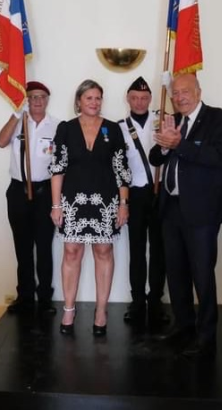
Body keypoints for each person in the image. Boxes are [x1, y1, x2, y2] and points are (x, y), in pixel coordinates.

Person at [149, 73, 222, 357]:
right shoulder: (174, 120)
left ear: (198, 91)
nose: (180, 97)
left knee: (202, 274)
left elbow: (216, 157)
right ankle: (182, 326)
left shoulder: (218, 118)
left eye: (185, 91)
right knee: (176, 273)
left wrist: (178, 145)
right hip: (171, 209)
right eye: (176, 93)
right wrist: (163, 144)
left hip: (202, 211)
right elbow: (155, 158)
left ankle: (205, 335)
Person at [50, 79, 131, 336]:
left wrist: (123, 204)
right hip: (72, 201)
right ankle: (69, 310)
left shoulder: (112, 130)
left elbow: (121, 171)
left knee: (103, 251)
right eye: (89, 98)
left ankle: (101, 311)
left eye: (98, 98)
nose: (94, 102)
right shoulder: (65, 129)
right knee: (71, 252)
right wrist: (55, 205)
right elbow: (57, 169)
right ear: (79, 101)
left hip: (105, 201)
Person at [0, 81, 61, 315]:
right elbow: (1, 142)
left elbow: (62, 163)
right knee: (22, 248)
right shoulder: (18, 122)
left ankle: (44, 298)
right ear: (26, 100)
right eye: (32, 97)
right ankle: (24, 296)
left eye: (42, 97)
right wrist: (16, 114)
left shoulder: (56, 126)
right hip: (18, 191)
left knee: (44, 247)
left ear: (47, 100)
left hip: (44, 192)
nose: (37, 101)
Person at [117, 76, 167, 328]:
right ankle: (137, 301)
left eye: (144, 98)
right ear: (127, 99)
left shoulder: (163, 122)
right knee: (136, 250)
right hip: (134, 196)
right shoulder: (119, 127)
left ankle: (156, 301)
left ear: (150, 99)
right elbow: (117, 167)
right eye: (134, 97)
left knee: (159, 250)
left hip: (160, 194)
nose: (139, 102)